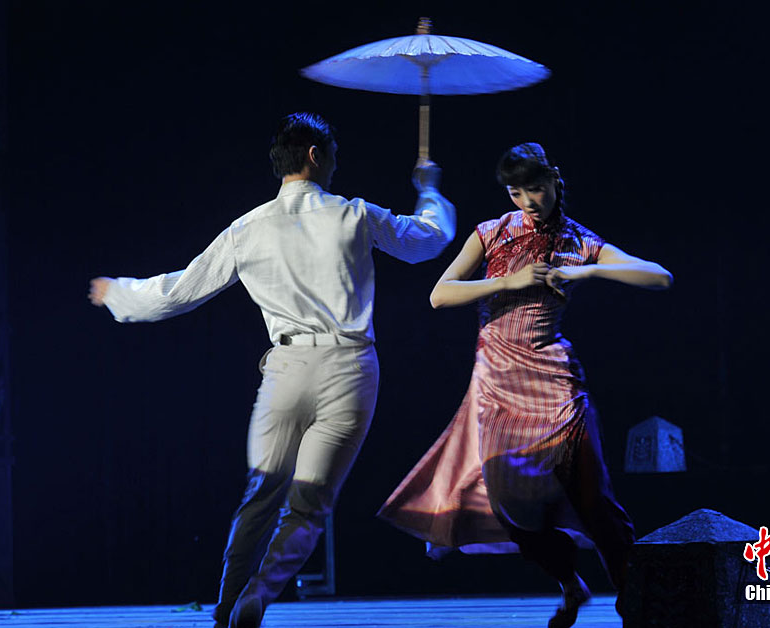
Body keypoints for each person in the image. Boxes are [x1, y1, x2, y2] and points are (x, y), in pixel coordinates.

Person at [88, 112, 455, 628]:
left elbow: (178, 292)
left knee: (260, 493)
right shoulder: (353, 214)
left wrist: (118, 294)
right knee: (309, 504)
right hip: (349, 370)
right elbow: (426, 240)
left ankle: (228, 604)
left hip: (286, 369)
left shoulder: (248, 229)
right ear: (315, 155)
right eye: (333, 155)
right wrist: (429, 190)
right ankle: (257, 595)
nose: (336, 164)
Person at [378, 142, 671, 628]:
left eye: (535, 188)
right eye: (517, 192)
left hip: (556, 385)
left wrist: (589, 269)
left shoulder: (579, 240)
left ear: (554, 178)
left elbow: (660, 277)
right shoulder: (492, 232)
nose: (529, 201)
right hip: (497, 385)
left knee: (594, 501)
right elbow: (439, 295)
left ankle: (635, 602)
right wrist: (506, 282)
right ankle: (570, 583)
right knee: (509, 507)